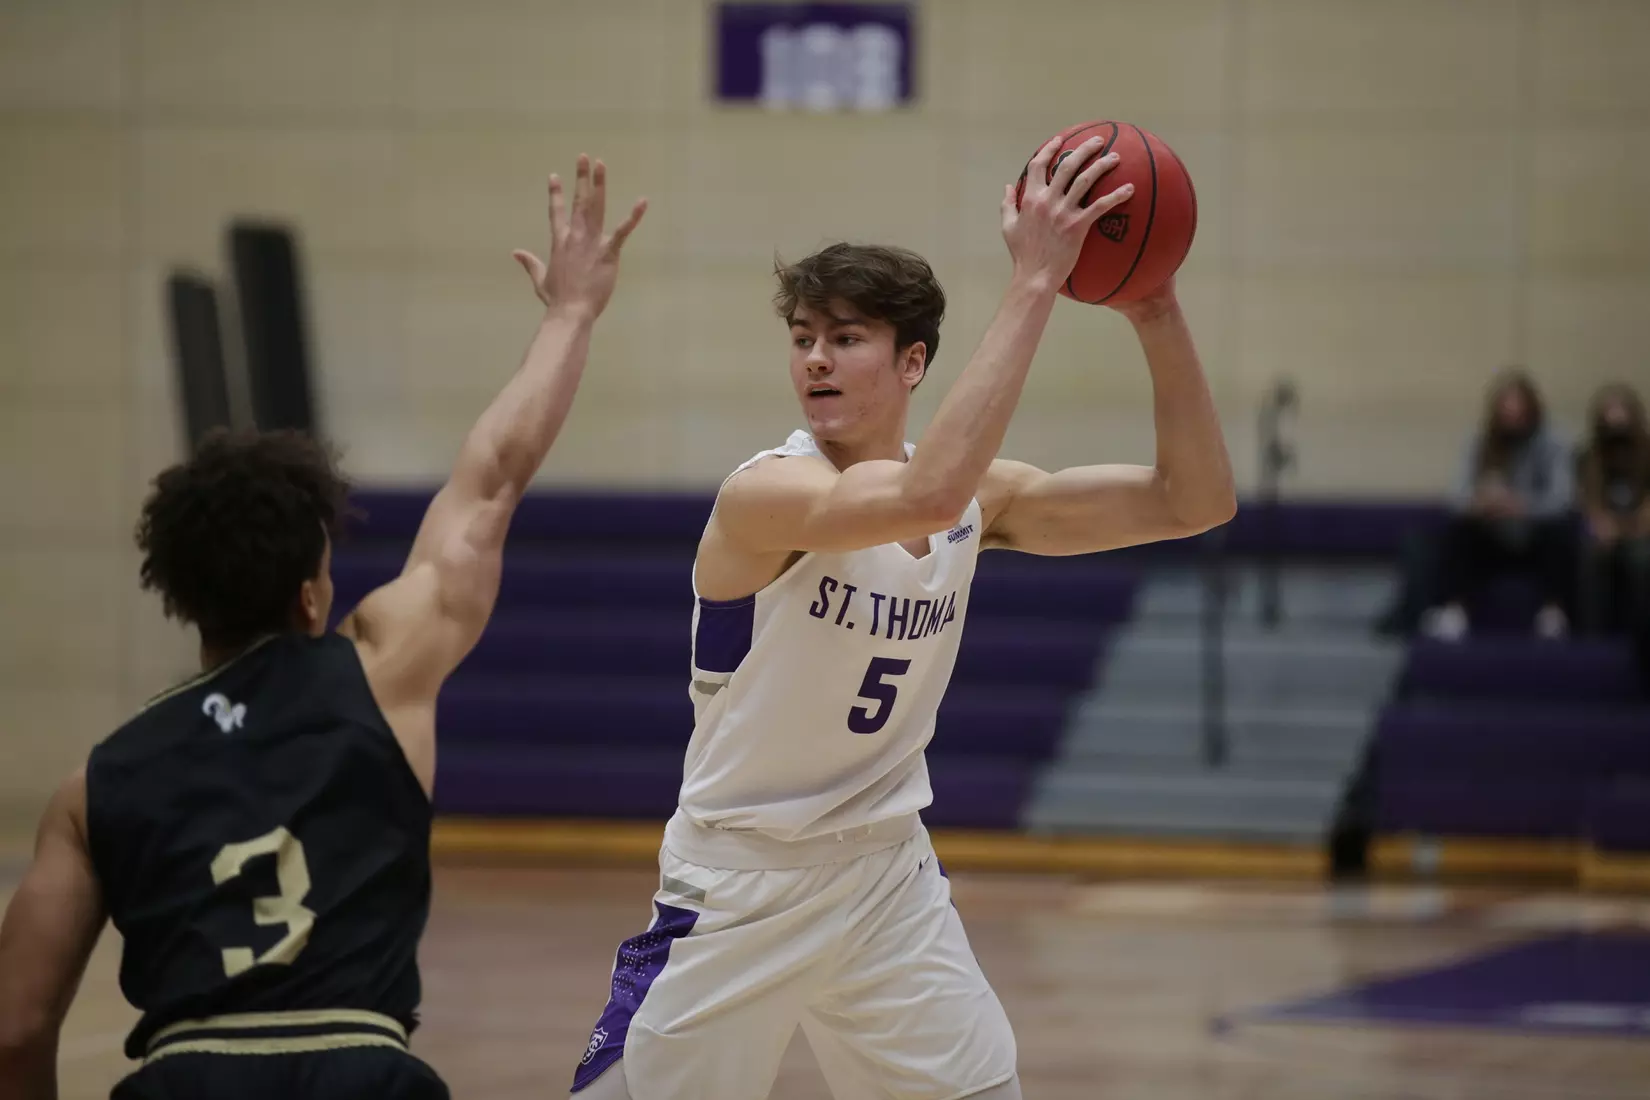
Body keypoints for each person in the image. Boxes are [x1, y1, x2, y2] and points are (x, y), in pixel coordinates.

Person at [568, 136, 1235, 1100]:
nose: (816, 359)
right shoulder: (765, 495)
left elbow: (1195, 500)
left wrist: (1154, 306)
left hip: (885, 876)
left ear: (913, 360)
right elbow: (923, 493)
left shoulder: (979, 500)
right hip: (741, 882)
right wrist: (1036, 282)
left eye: (846, 338)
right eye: (802, 336)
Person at [0, 156, 645, 1100]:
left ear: (177, 595)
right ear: (313, 593)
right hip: (362, 1072)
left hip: (186, 1079)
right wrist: (569, 316)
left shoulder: (95, 784)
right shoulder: (381, 674)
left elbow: (16, 1026)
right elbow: (493, 478)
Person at [1422, 370, 1577, 641]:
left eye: (1518, 407)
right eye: (1506, 408)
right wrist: (1481, 502)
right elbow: (1456, 497)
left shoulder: (1554, 441)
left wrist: (1520, 504)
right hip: (1491, 533)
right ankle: (1453, 612)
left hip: (1534, 533)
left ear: (1531, 409)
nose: (1512, 414)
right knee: (1458, 530)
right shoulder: (1478, 440)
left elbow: (1562, 499)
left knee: (1561, 531)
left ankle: (1554, 613)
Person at [1576, 383, 1650, 688]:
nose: (1615, 417)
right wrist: (1604, 526)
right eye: (1609, 410)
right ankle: (1593, 638)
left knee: (1641, 560)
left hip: (1640, 532)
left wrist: (1628, 528)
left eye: (1621, 409)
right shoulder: (1588, 457)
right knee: (1592, 553)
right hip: (1607, 533)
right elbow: (1591, 507)